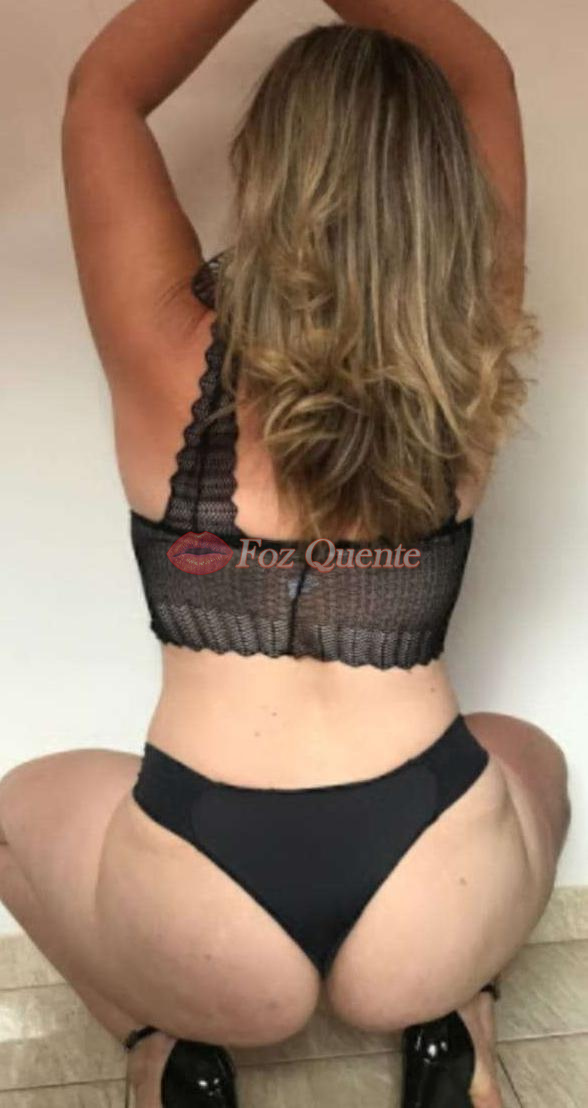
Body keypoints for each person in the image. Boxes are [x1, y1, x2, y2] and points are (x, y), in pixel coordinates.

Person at [0, 1, 571, 1106]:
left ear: (267, 168)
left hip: (201, 907)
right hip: (434, 896)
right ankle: (460, 1016)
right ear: (446, 187)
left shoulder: (166, 343)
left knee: (12, 809)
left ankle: (164, 1052)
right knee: (530, 756)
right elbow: (483, 75)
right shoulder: (467, 344)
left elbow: (104, 92)